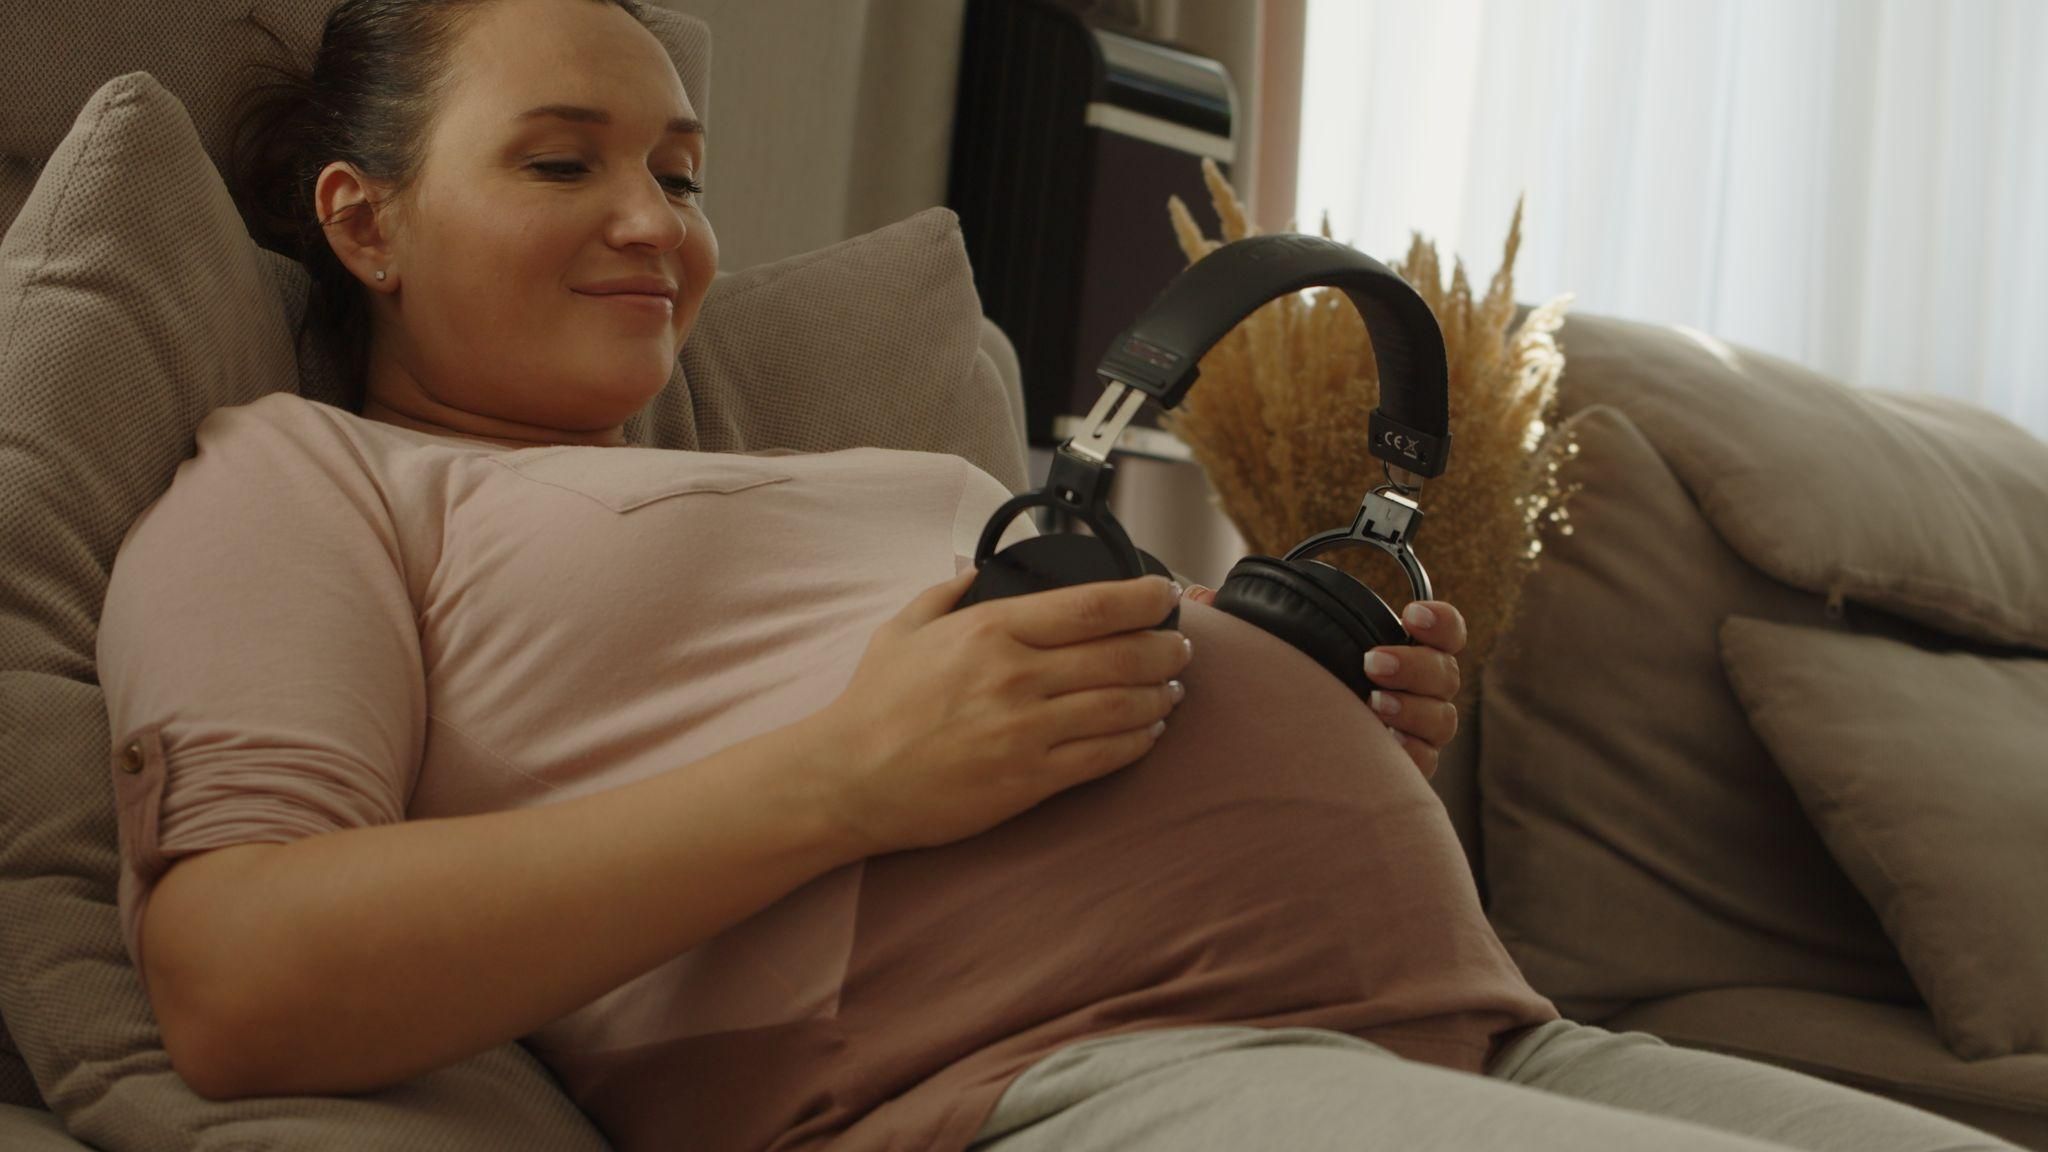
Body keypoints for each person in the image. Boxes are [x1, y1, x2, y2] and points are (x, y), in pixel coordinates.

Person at [89, 1, 2020, 1151]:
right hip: (1066, 1078)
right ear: (364, 219)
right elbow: (239, 981)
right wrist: (852, 775)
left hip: (1490, 1029)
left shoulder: (809, 475)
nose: (652, 227)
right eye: (558, 164)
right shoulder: (305, 480)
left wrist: (1313, 732)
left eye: (678, 174)